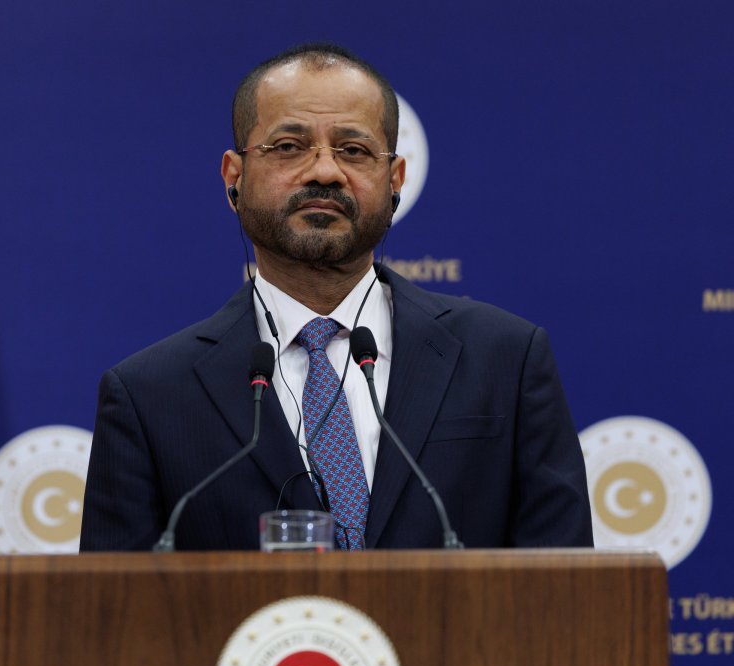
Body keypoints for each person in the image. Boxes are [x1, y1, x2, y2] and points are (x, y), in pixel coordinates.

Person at [79, 43, 592, 551]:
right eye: (288, 147)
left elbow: (566, 600)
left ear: (394, 181)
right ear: (234, 179)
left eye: (353, 150)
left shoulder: (505, 359)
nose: (325, 171)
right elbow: (116, 619)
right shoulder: (150, 396)